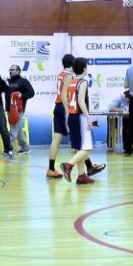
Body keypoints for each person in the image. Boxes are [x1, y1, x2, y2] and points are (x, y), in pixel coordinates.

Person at [59, 57, 99, 185]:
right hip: (80, 117)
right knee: (88, 148)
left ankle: (81, 176)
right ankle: (68, 165)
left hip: (72, 116)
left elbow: (65, 97)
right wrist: (88, 117)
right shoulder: (83, 82)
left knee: (79, 148)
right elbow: (81, 101)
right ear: (85, 69)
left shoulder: (71, 81)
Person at [47, 54, 75, 178]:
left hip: (58, 107)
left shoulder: (61, 74)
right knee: (78, 138)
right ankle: (88, 167)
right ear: (73, 64)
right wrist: (68, 111)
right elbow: (64, 95)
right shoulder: (69, 76)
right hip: (64, 108)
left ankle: (51, 169)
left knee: (56, 139)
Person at [5, 65, 35, 153]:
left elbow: (32, 93)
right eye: (10, 69)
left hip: (18, 109)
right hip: (9, 108)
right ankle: (26, 148)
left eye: (12, 70)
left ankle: (9, 149)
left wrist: (22, 95)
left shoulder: (24, 81)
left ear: (18, 71)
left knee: (13, 129)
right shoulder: (7, 81)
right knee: (17, 128)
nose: (10, 71)